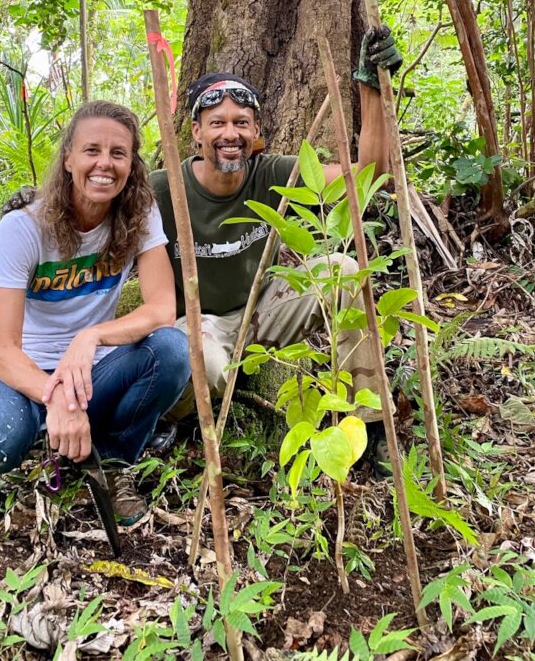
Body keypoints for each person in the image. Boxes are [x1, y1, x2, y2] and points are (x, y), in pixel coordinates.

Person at [148, 27, 402, 465]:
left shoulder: (273, 173)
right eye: (218, 123)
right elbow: (97, 207)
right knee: (198, 361)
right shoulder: (162, 186)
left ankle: (371, 422)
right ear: (196, 132)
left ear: (256, 131)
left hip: (261, 309)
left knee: (342, 269)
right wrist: (32, 210)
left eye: (241, 123)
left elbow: (368, 175)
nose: (231, 134)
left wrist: (373, 87)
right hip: (198, 321)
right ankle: (181, 413)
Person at [0, 100, 191, 528]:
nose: (105, 164)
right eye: (91, 150)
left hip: (95, 372)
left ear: (132, 163)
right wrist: (57, 395)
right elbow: (5, 351)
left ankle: (114, 461)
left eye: (118, 153)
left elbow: (161, 309)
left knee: (171, 350)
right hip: (25, 372)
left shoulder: (139, 214)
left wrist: (91, 337)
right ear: (68, 159)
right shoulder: (23, 227)